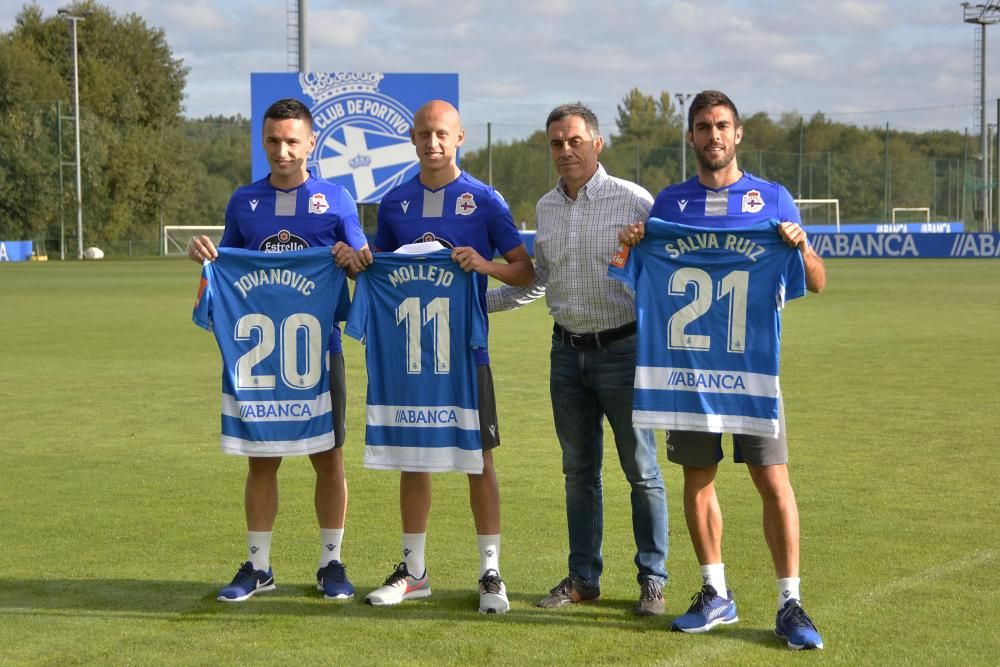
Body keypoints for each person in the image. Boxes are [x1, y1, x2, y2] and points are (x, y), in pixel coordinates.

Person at [619, 89, 826, 649]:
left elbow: (816, 280)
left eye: (723, 125)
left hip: (752, 372)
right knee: (697, 478)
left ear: (738, 135)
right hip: (686, 373)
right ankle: (716, 593)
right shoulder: (669, 205)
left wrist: (802, 248)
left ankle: (791, 602)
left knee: (773, 481)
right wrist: (632, 244)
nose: (714, 135)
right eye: (704, 126)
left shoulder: (773, 198)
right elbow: (628, 270)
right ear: (691, 137)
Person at [346, 100, 534, 614]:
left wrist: (485, 266)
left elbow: (526, 270)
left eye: (442, 134)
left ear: (460, 138)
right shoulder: (395, 203)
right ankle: (414, 571)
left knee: (480, 461)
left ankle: (490, 573)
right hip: (410, 357)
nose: (433, 143)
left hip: (466, 352)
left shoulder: (484, 201)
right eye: (425, 134)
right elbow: (378, 270)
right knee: (413, 458)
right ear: (412, 138)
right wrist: (360, 261)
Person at [488, 103, 669, 616]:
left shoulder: (634, 201)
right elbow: (539, 280)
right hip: (566, 353)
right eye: (555, 143)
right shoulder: (546, 207)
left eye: (573, 141)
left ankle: (652, 580)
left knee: (642, 470)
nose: (564, 151)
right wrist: (471, 307)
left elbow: (660, 277)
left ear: (597, 143)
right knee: (578, 473)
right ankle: (583, 578)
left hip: (625, 352)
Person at [188, 98, 372, 603]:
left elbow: (361, 262)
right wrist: (204, 256)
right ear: (263, 142)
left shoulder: (336, 200)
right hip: (261, 356)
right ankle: (258, 565)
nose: (283, 151)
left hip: (320, 350)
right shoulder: (244, 202)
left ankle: (331, 563)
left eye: (293, 141)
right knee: (261, 462)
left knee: (328, 458)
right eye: (273, 141)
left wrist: (350, 257)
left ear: (311, 143)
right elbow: (227, 266)